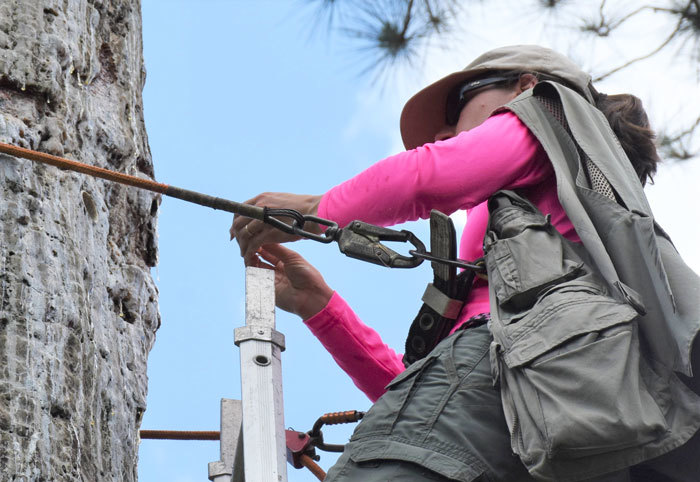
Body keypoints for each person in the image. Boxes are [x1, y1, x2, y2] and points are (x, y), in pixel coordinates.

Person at [231, 45, 700, 481]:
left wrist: (316, 210)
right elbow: (434, 425)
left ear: (525, 86)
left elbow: (431, 175)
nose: (442, 135)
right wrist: (322, 308)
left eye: (459, 107)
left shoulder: (546, 113)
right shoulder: (562, 273)